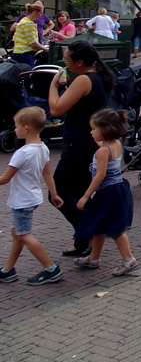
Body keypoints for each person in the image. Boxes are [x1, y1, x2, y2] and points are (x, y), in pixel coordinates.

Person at [48, 40, 115, 257]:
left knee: (56, 193)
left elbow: (56, 109)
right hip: (91, 143)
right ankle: (86, 238)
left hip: (79, 143)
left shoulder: (85, 80)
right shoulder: (101, 77)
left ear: (79, 62)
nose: (65, 63)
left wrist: (53, 85)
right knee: (79, 193)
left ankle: (86, 233)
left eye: (67, 60)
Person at [0, 106, 64, 285]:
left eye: (16, 126)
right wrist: (54, 193)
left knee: (23, 234)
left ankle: (50, 268)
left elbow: (4, 179)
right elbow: (47, 173)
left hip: (21, 200)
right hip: (33, 198)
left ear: (26, 128)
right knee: (17, 232)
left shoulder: (22, 153)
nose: (15, 129)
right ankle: (7, 270)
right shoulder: (43, 148)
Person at [71, 109, 138, 275]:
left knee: (114, 228)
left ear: (105, 129)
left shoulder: (102, 151)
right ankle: (94, 258)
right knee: (99, 224)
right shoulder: (116, 143)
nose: (91, 132)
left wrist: (86, 196)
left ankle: (128, 259)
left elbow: (100, 176)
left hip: (108, 192)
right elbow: (104, 147)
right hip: (119, 188)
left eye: (94, 129)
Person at [11, 2, 48, 67]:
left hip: (18, 52)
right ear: (36, 12)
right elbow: (33, 43)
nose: (41, 16)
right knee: (29, 74)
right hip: (25, 54)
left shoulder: (23, 21)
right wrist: (45, 49)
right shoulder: (28, 24)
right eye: (41, 13)